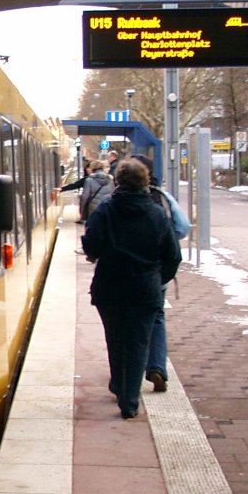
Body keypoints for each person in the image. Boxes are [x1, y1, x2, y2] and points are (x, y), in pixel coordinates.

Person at [82, 158, 182, 419]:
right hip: (145, 288)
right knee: (138, 342)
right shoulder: (157, 213)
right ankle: (129, 401)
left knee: (115, 338)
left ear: (118, 181)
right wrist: (158, 279)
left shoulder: (105, 210)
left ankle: (118, 383)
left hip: (110, 286)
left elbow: (91, 247)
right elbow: (173, 256)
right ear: (145, 181)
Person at [131, 154, 190, 392]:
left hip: (122, 272)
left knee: (126, 321)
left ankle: (127, 379)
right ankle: (156, 367)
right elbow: (183, 227)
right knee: (156, 317)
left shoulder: (113, 199)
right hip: (156, 270)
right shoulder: (163, 197)